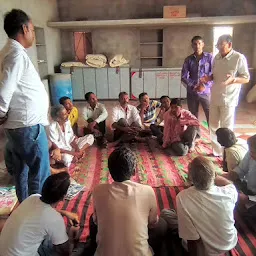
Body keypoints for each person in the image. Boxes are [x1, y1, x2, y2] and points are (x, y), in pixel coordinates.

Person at [0, 9, 50, 202]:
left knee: (22, 170)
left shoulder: (7, 52)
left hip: (18, 126)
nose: (33, 35)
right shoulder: (16, 55)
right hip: (28, 126)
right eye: (33, 30)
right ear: (25, 28)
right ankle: (38, 214)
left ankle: (25, 208)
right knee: (39, 172)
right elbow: (5, 90)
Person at [91, 146, 168, 256]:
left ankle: (93, 246)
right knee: (162, 224)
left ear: (110, 171)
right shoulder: (147, 191)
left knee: (93, 219)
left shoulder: (98, 191)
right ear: (134, 171)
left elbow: (96, 221)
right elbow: (152, 223)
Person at [162, 156, 238, 255]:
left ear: (190, 178)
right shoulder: (229, 192)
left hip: (204, 251)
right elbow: (229, 184)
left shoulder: (182, 197)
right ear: (214, 175)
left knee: (166, 214)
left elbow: (191, 239)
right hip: (228, 243)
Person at [0, 172, 80, 256]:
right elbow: (65, 252)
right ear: (63, 197)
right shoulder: (55, 219)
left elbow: (41, 212)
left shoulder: (33, 197)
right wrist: (71, 238)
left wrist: (65, 213)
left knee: (48, 234)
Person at [201, 34, 250, 156]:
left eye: (221, 45)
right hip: (215, 96)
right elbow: (215, 75)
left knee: (226, 127)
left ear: (229, 45)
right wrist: (208, 78)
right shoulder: (216, 57)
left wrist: (233, 80)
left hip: (229, 98)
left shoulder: (238, 58)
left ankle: (227, 153)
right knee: (213, 125)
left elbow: (246, 78)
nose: (218, 48)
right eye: (217, 45)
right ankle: (217, 152)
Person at [181, 35, 213, 124]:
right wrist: (194, 86)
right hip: (192, 92)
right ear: (192, 46)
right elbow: (184, 76)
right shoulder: (188, 59)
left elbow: (213, 74)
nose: (197, 46)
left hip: (205, 92)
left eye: (199, 43)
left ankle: (213, 136)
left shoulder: (209, 58)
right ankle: (196, 134)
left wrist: (204, 86)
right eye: (195, 44)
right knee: (193, 115)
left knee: (210, 114)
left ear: (203, 44)